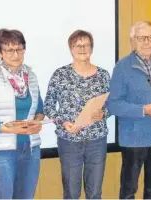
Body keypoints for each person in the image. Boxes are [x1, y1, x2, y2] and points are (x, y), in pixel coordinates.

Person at [107, 21, 151, 199]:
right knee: (129, 190)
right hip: (134, 138)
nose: (147, 42)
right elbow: (113, 104)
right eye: (142, 38)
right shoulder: (122, 67)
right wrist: (144, 110)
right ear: (133, 41)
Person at [0, 28, 44, 199]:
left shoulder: (31, 76)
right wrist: (8, 128)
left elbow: (40, 110)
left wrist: (36, 122)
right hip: (0, 152)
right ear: (0, 53)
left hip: (31, 150)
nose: (15, 54)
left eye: (19, 48)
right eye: (9, 50)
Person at [43, 30, 110, 199]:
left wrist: (104, 113)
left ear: (92, 48)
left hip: (97, 140)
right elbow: (48, 106)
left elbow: (111, 103)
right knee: (72, 193)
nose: (82, 48)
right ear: (70, 49)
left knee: (95, 192)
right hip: (69, 141)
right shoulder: (60, 74)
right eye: (77, 45)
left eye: (86, 45)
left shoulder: (103, 75)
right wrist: (63, 122)